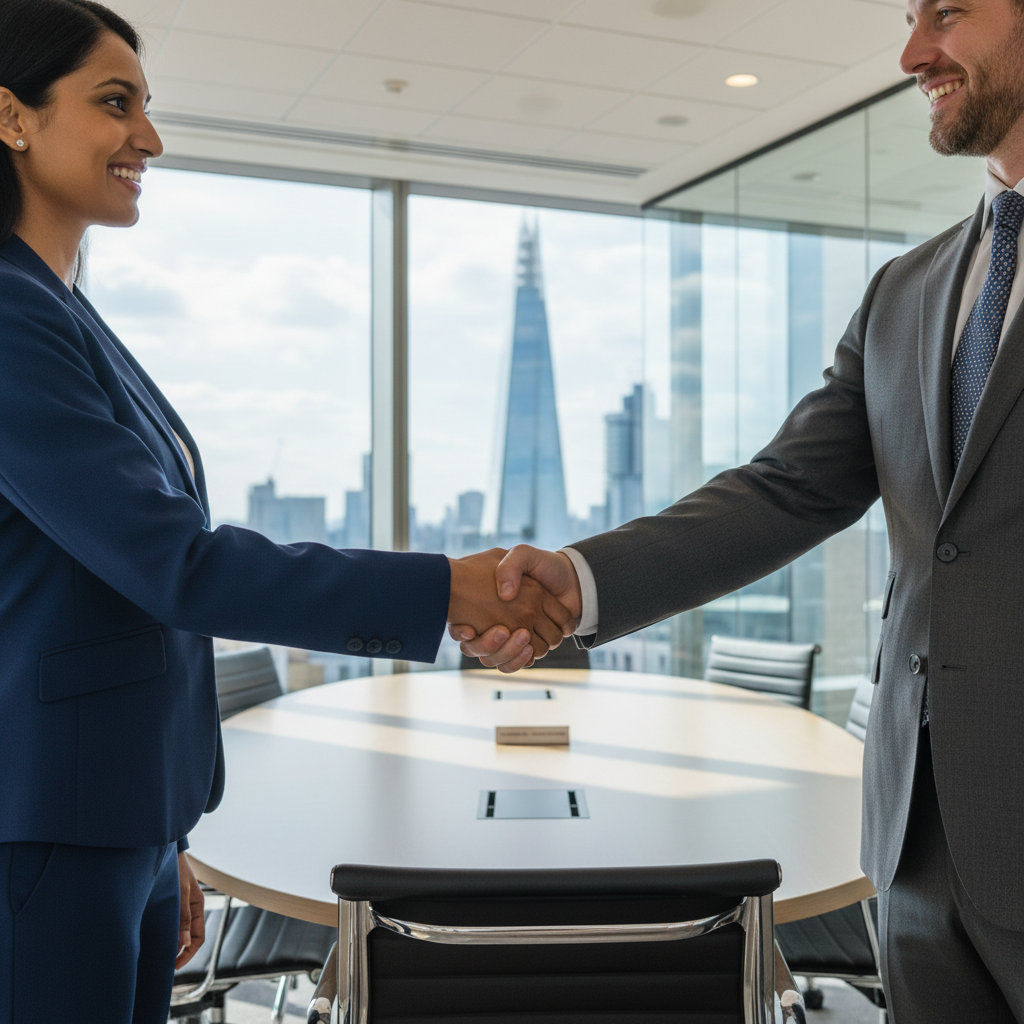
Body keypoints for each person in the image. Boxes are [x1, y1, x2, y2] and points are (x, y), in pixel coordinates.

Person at [0, 2, 574, 1020]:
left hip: (116, 821)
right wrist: (445, 586)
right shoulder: (8, 315)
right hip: (45, 831)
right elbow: (178, 566)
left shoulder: (63, 311)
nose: (149, 138)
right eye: (114, 102)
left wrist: (165, 833)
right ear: (12, 115)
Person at [457, 0, 1024, 1017]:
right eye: (907, 17)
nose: (910, 52)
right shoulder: (906, 289)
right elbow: (785, 489)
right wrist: (577, 581)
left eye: (948, 12)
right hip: (913, 843)